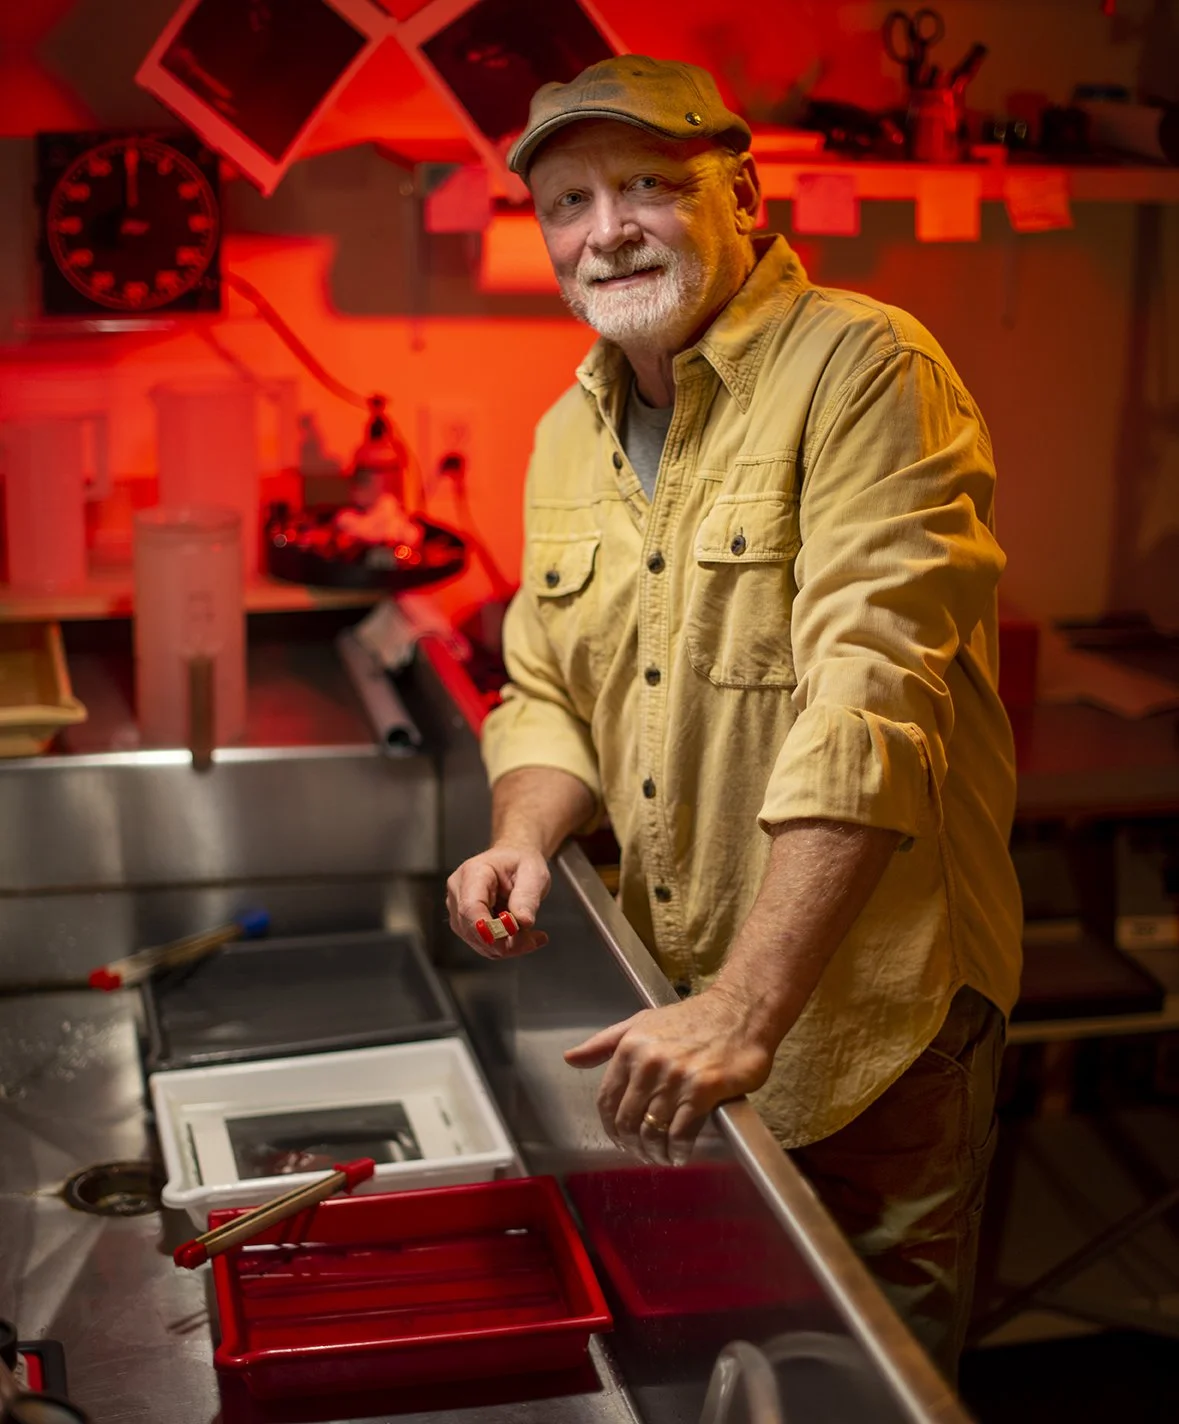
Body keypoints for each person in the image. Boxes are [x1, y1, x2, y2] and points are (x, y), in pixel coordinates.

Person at [445, 54, 1022, 1379]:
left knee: (863, 1389)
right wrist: (523, 836)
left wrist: (748, 1004)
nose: (608, 230)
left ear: (743, 197)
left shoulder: (865, 367)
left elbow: (873, 691)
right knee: (725, 1378)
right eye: (569, 202)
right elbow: (546, 691)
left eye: (648, 184)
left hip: (864, 1030)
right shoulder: (564, 433)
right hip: (671, 1019)